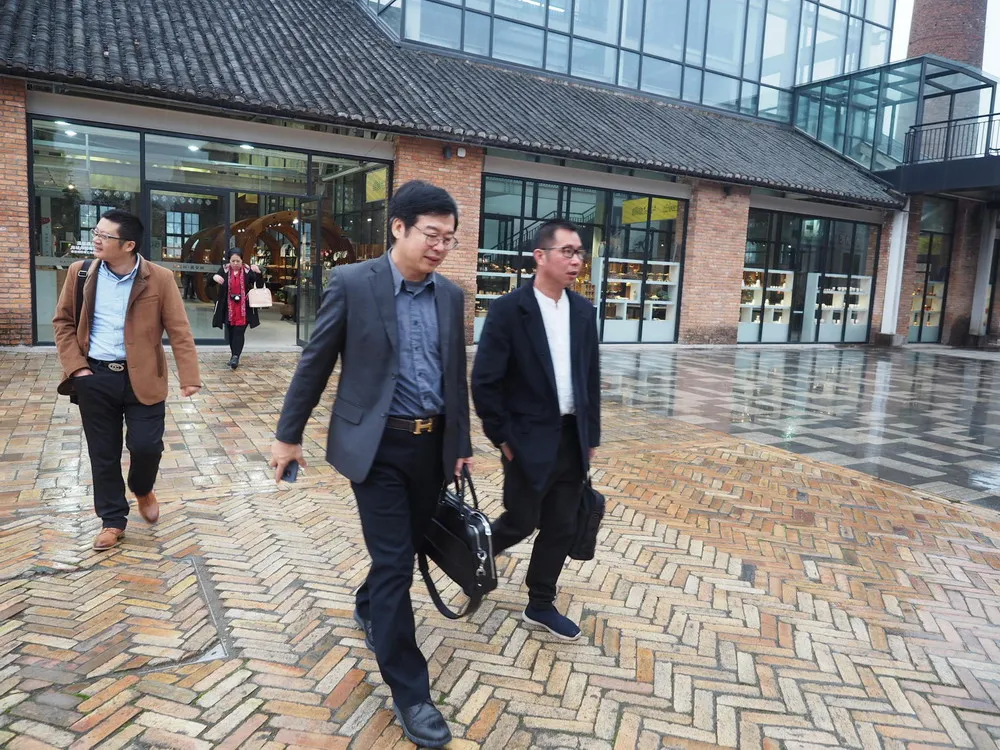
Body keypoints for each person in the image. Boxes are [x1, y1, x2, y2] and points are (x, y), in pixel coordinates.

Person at [269, 180, 472, 749]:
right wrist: (288, 436)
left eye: (449, 238)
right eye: (432, 235)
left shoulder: (452, 296)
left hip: (431, 447)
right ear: (399, 228)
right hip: (376, 448)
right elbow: (316, 361)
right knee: (395, 564)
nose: (440, 247)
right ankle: (411, 692)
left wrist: (460, 443)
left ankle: (367, 605)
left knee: (404, 548)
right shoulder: (353, 283)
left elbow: (453, 376)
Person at [471, 219, 601, 641]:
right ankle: (468, 558)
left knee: (562, 524)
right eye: (567, 251)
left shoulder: (582, 311)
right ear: (540, 256)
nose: (576, 260)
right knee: (521, 520)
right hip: (526, 440)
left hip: (571, 437)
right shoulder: (510, 310)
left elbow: (590, 378)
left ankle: (540, 603)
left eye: (579, 252)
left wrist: (591, 435)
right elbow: (485, 381)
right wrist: (502, 437)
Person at [53, 209, 201, 551]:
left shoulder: (160, 278)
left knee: (147, 446)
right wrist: (77, 369)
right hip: (95, 377)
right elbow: (63, 322)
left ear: (129, 245)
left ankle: (142, 487)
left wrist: (189, 376)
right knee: (103, 453)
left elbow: (179, 329)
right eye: (96, 232)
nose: (96, 239)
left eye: (105, 236)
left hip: (144, 378)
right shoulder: (80, 273)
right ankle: (112, 520)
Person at [212, 249, 265, 369]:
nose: (235, 263)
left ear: (242, 260)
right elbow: (210, 284)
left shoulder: (247, 271)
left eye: (238, 261)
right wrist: (214, 277)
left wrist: (258, 273)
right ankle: (233, 355)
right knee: (231, 332)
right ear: (229, 261)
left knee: (239, 332)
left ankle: (236, 356)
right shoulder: (224, 270)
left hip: (244, 308)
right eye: (233, 261)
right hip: (228, 307)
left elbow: (259, 285)